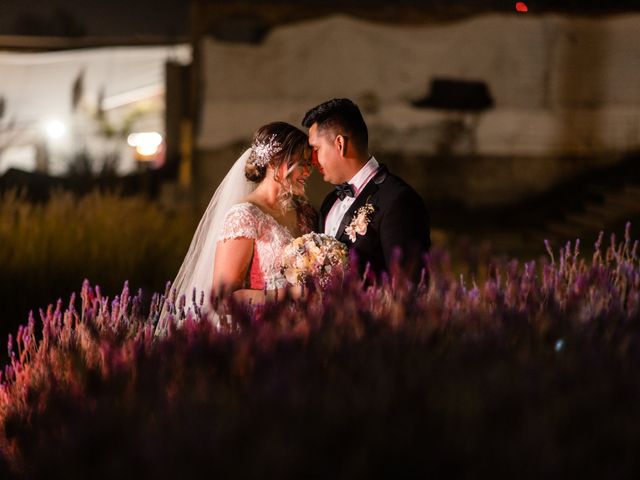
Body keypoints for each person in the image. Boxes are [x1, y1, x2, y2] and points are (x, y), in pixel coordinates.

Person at [158, 122, 314, 330]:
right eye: (302, 163)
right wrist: (286, 295)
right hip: (262, 331)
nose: (308, 171)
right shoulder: (245, 215)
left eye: (309, 164)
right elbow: (223, 298)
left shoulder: (305, 213)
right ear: (276, 161)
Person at [302, 98, 430, 276]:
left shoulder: (398, 200)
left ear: (340, 144)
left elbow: (408, 286)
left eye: (316, 149)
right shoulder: (330, 202)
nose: (312, 160)